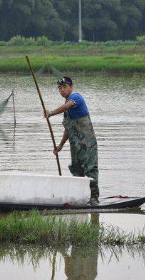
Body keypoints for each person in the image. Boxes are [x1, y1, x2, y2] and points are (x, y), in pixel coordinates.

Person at [44, 76, 99, 206]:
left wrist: (51, 113)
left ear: (71, 87)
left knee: (91, 169)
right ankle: (79, 197)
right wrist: (60, 145)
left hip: (87, 143)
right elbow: (68, 129)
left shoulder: (76, 98)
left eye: (64, 87)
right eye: (59, 88)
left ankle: (94, 198)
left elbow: (66, 106)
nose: (62, 90)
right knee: (76, 169)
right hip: (75, 143)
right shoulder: (67, 111)